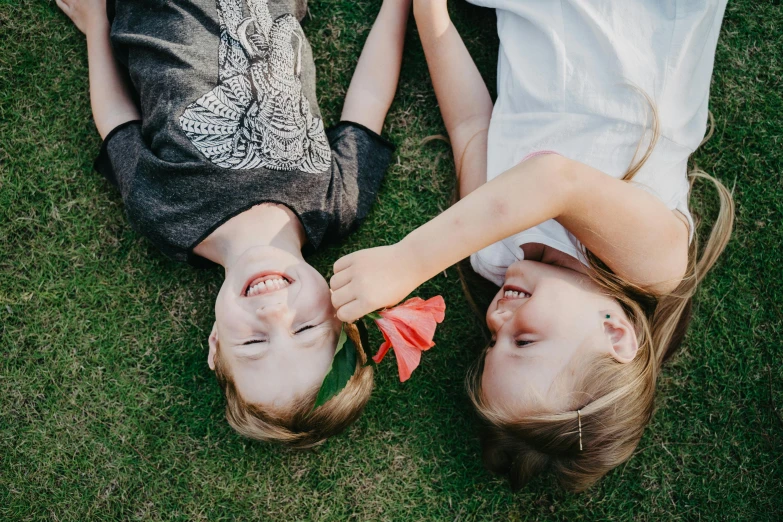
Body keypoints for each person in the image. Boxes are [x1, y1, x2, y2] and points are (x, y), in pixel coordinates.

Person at [330, 0, 734, 489]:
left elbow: (471, 127)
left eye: (494, 342)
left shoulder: (494, 255)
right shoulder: (653, 265)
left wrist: (430, 18)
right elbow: (554, 179)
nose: (498, 319)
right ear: (616, 336)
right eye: (523, 341)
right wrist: (408, 260)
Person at [56, 0, 411, 447]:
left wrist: (94, 26)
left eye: (253, 345)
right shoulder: (335, 204)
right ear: (345, 313)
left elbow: (116, 123)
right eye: (305, 330)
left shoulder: (165, 215)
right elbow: (371, 98)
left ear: (215, 344)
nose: (275, 313)